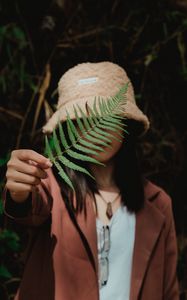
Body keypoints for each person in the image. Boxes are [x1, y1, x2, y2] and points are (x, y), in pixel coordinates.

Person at [3, 62, 179, 300]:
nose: (95, 130)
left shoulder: (157, 203)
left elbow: (168, 291)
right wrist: (19, 189)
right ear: (66, 127)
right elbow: (27, 206)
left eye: (106, 118)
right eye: (81, 119)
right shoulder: (51, 186)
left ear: (127, 122)